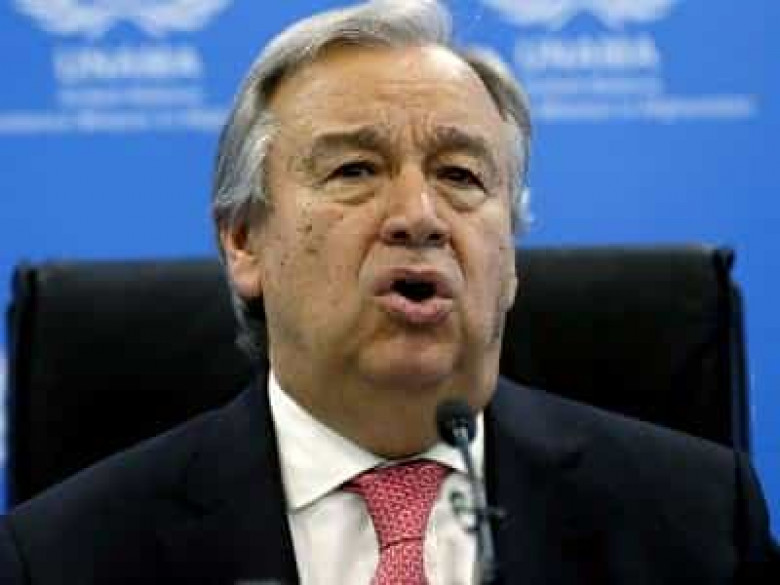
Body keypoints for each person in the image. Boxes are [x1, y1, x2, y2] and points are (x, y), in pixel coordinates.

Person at [0, 1, 777, 583]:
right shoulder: (65, 555)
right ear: (244, 241)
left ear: (510, 256)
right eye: (355, 170)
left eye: (461, 175)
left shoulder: (698, 523)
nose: (419, 216)